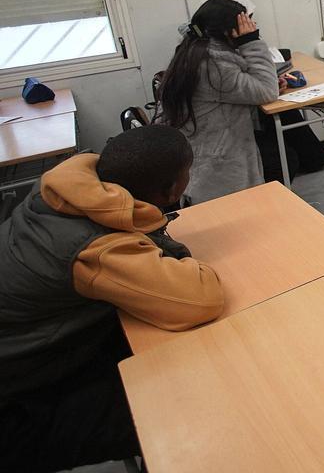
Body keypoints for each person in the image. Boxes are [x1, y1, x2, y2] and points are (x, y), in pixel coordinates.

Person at [0, 126, 224, 473]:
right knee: (182, 407)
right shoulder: (95, 249)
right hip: (18, 399)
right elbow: (200, 298)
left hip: (30, 352)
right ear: (173, 189)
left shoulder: (59, 190)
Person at [159, 0, 281, 203]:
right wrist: (251, 43)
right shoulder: (214, 63)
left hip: (202, 154)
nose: (251, 28)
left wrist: (259, 80)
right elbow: (267, 91)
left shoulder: (196, 50)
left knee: (282, 153)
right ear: (228, 31)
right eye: (246, 24)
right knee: (284, 157)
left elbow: (246, 86)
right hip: (219, 169)